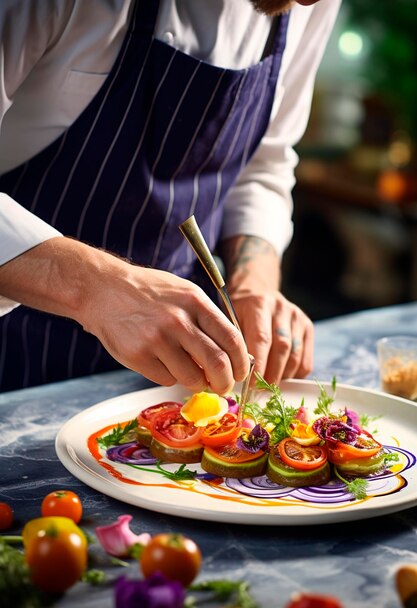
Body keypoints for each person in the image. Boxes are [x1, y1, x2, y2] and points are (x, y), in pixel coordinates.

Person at [0, 0, 340, 394]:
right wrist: (97, 286)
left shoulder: (308, 4)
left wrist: (254, 285)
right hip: (15, 354)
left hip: (178, 373)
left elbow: (263, 164)